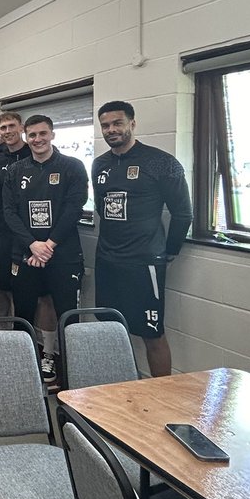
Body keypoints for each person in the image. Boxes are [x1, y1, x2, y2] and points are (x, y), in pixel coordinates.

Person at [92, 101, 193, 378]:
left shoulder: (161, 162)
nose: (111, 129)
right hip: (108, 260)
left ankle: (162, 394)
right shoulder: (100, 164)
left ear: (132, 124)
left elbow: (183, 213)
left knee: (152, 332)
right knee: (110, 327)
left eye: (117, 123)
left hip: (145, 261)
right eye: (105, 125)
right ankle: (115, 388)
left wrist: (169, 251)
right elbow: (102, 209)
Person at [2, 114, 88, 383]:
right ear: (26, 137)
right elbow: (9, 212)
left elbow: (74, 209)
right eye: (33, 135)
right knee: (24, 311)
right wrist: (32, 244)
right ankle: (23, 364)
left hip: (62, 253)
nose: (37, 139)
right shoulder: (15, 171)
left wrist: (49, 245)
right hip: (26, 253)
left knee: (67, 314)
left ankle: (64, 368)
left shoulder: (72, 167)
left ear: (52, 135)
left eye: (43, 134)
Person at [0, 111, 31, 317]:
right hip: (6, 234)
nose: (7, 131)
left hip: (32, 235)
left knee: (29, 292)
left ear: (21, 127)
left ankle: (29, 338)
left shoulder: (34, 154)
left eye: (11, 126)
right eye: (3, 128)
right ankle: (6, 333)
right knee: (4, 286)